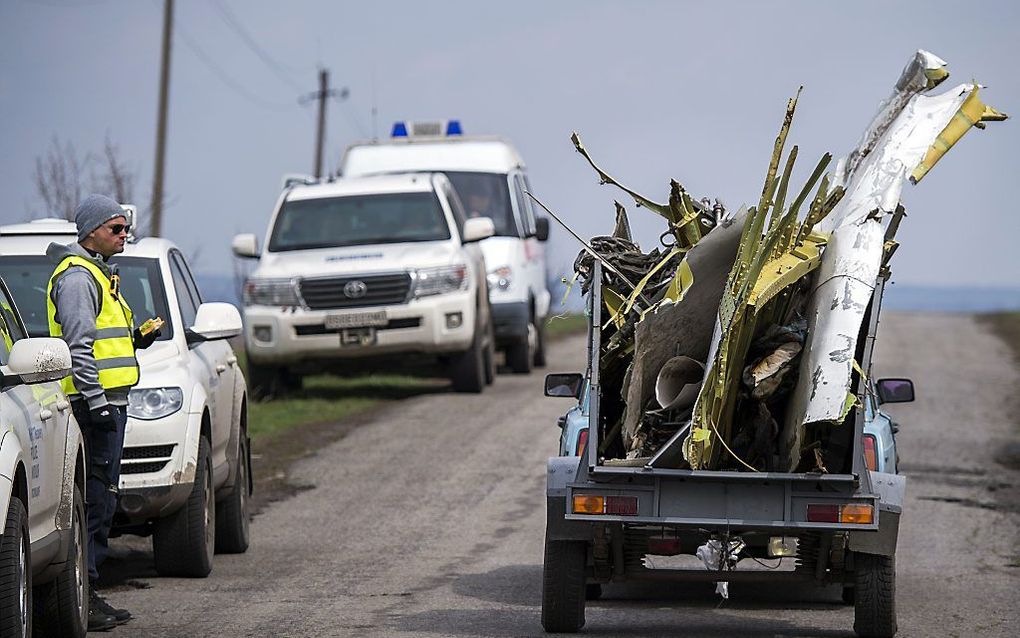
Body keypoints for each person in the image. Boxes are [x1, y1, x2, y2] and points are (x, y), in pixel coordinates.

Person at [45, 194, 159, 631]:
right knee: (95, 502)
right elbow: (79, 350)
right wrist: (97, 405)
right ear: (90, 232)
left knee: (102, 499)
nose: (124, 234)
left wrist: (136, 337)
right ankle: (83, 598)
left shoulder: (98, 272)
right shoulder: (77, 278)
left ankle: (89, 594)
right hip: (95, 407)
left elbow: (103, 340)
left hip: (110, 403)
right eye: (116, 229)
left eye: (125, 227)